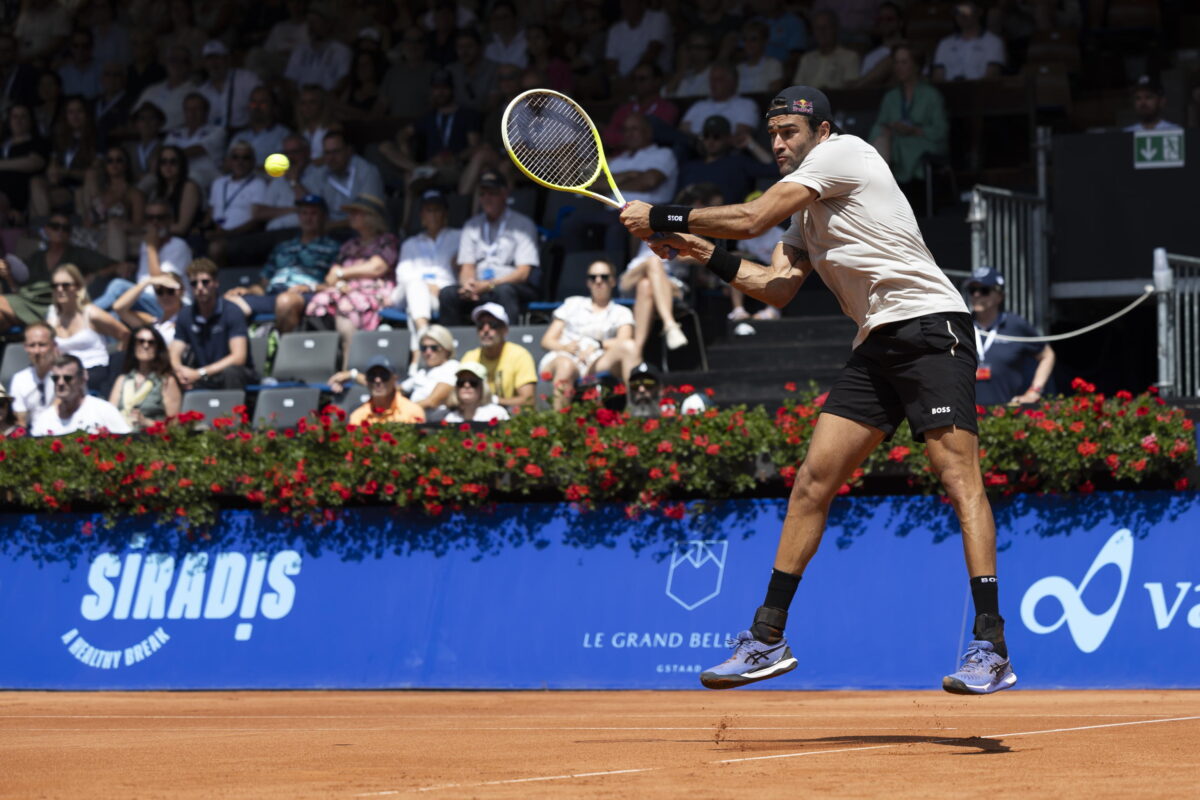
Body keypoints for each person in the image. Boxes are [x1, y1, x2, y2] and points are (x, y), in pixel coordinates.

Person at [620, 85, 1016, 695]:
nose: (779, 144)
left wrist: (666, 215)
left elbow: (753, 218)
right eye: (774, 134)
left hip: (932, 326)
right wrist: (700, 252)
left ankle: (991, 645)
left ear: (821, 133)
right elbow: (777, 286)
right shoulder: (807, 207)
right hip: (876, 342)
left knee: (958, 478)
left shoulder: (844, 154)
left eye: (790, 134)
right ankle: (767, 636)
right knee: (813, 481)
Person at [225, 194, 339, 332]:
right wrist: (248, 291)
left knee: (285, 301)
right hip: (272, 294)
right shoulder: (283, 247)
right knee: (229, 301)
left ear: (323, 217)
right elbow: (264, 284)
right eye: (304, 213)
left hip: (306, 296)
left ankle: (282, 351)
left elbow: (337, 283)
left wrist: (312, 287)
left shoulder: (333, 247)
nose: (308, 218)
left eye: (314, 213)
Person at [438, 170, 538, 326]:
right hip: (479, 287)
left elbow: (523, 273)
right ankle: (451, 345)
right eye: (482, 194)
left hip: (509, 285)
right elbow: (467, 267)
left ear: (504, 194)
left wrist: (490, 285)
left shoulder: (523, 225)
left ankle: (508, 344)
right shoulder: (472, 226)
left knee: (504, 291)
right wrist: (468, 285)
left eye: (492, 193)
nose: (486, 198)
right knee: (447, 294)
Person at [304, 194, 399, 349]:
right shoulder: (349, 245)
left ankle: (349, 364)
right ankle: (325, 358)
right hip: (343, 291)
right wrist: (340, 282)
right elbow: (330, 277)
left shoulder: (387, 240)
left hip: (373, 293)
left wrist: (342, 273)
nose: (351, 216)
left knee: (347, 305)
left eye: (356, 212)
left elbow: (377, 267)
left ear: (371, 217)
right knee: (318, 302)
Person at [540, 259, 638, 409]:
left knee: (630, 348)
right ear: (588, 282)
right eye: (593, 277)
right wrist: (565, 347)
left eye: (604, 277)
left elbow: (625, 341)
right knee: (566, 366)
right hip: (564, 357)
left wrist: (598, 345)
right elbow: (547, 340)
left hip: (596, 360)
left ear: (613, 281)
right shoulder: (572, 304)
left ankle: (636, 410)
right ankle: (561, 426)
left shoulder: (621, 312)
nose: (598, 281)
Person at [0, 214, 114, 329]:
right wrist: (8, 276)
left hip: (53, 304)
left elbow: (118, 266)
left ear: (69, 234)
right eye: (55, 226)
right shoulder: (36, 257)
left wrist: (94, 275)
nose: (60, 231)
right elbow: (18, 291)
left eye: (65, 229)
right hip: (27, 301)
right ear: (46, 230)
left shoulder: (78, 254)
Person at [966, 267, 1054, 406]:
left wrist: (1035, 391)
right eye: (972, 290)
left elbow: (1047, 355)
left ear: (1000, 296)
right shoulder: (962, 326)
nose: (976, 295)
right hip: (966, 416)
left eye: (984, 290)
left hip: (1006, 416)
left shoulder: (1015, 325)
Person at [92, 200, 192, 317]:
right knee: (112, 316)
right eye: (150, 218)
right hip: (144, 302)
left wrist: (151, 248)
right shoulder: (146, 244)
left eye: (160, 218)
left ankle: (83, 314)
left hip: (170, 302)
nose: (155, 222)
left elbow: (161, 283)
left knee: (118, 285)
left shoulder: (178, 245)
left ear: (170, 220)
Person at [868, 45, 949, 189]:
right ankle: (879, 187)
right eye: (896, 62)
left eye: (904, 62)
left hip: (923, 141)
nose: (899, 67)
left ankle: (881, 190)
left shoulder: (932, 96)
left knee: (897, 145)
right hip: (894, 139)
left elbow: (941, 130)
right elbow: (881, 124)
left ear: (916, 65)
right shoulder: (890, 96)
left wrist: (915, 130)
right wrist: (891, 128)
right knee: (880, 135)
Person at [390, 189, 460, 351]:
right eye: (429, 210)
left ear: (445, 213)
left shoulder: (459, 237)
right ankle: (425, 335)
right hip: (408, 292)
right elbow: (402, 277)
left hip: (441, 296)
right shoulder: (410, 243)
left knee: (415, 305)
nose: (434, 215)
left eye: (437, 210)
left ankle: (419, 348)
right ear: (421, 215)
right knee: (415, 286)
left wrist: (439, 290)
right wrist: (428, 286)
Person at [170, 258, 254, 390]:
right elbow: (174, 351)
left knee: (231, 372)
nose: (200, 287)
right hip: (203, 376)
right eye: (194, 283)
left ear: (216, 283)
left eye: (205, 282)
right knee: (171, 376)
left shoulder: (232, 311)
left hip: (232, 375)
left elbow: (239, 357)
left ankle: (234, 411)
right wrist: (180, 370)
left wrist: (200, 373)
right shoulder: (186, 314)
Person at [45, 263, 129, 396]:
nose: (60, 289)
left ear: (77, 287)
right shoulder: (52, 316)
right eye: (55, 286)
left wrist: (116, 363)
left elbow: (125, 335)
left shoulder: (91, 313)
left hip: (94, 374)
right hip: (64, 375)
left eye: (65, 285)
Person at [679, 116, 777, 216]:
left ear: (728, 138)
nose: (710, 140)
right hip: (690, 220)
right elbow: (678, 198)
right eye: (706, 136)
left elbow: (774, 168)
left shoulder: (738, 162)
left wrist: (750, 144)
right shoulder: (690, 166)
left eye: (716, 136)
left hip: (726, 220)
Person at [459, 302, 536, 412]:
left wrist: (493, 401)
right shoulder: (470, 357)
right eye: (481, 325)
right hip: (476, 418)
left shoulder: (520, 355)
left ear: (505, 330)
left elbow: (528, 400)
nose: (485, 330)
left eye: (493, 325)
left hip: (511, 420)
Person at [30, 354, 131, 436]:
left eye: (67, 378)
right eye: (55, 378)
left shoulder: (104, 411)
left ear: (82, 379)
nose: (60, 383)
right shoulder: (44, 419)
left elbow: (126, 441)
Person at [76, 145, 145, 261]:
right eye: (110, 160)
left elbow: (138, 225)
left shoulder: (134, 193)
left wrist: (116, 225)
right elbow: (88, 222)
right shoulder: (100, 192)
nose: (114, 164)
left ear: (126, 164)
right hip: (95, 235)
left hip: (118, 236)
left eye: (119, 160)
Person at [203, 139, 268, 263]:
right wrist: (204, 229)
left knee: (216, 248)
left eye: (245, 158)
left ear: (253, 162)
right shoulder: (219, 183)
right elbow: (210, 212)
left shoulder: (258, 184)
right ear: (229, 161)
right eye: (235, 157)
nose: (240, 162)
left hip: (244, 235)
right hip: (218, 232)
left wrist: (228, 233)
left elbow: (257, 220)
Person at [108, 325, 182, 429]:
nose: (146, 346)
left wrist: (147, 423)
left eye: (151, 342)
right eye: (140, 341)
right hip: (121, 438)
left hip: (151, 440)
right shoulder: (122, 380)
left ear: (157, 348)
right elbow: (109, 416)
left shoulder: (167, 381)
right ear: (133, 345)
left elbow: (173, 426)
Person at [310, 130, 385, 227]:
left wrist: (331, 226)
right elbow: (311, 206)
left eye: (336, 152)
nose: (331, 158)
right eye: (327, 153)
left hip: (365, 230)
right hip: (331, 232)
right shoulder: (321, 173)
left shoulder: (367, 171)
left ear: (349, 150)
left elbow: (369, 213)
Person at [602, 63, 678, 152]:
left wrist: (622, 139)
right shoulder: (623, 109)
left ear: (657, 81)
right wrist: (634, 138)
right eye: (634, 79)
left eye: (642, 79)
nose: (637, 83)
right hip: (620, 159)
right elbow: (608, 136)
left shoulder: (668, 109)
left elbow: (655, 136)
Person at [679, 63, 759, 140]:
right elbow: (682, 131)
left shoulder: (746, 105)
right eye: (711, 80)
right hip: (693, 149)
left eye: (718, 80)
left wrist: (713, 142)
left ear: (733, 82)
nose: (713, 84)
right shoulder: (698, 105)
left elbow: (741, 137)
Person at [163, 92, 225, 190]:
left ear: (206, 111)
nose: (192, 113)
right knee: (153, 179)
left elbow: (198, 149)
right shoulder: (175, 133)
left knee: (190, 177)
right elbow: (164, 153)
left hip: (207, 173)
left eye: (197, 109)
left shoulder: (217, 131)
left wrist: (174, 155)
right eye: (188, 109)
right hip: (178, 173)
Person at [284, 4, 352, 94]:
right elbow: (290, 79)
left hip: (327, 102)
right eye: (309, 22)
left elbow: (342, 83)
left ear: (327, 24)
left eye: (315, 22)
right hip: (302, 100)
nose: (310, 27)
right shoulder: (300, 50)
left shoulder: (342, 51)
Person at [932, 1, 1006, 82]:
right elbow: (938, 77)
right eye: (957, 11)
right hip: (948, 92)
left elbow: (991, 76)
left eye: (966, 10)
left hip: (980, 92)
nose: (962, 15)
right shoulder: (945, 44)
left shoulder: (993, 42)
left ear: (979, 12)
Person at [198, 40, 262, 131]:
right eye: (209, 59)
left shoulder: (246, 78)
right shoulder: (201, 91)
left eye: (217, 58)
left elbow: (263, 103)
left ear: (227, 59)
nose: (214, 63)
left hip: (246, 132)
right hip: (213, 137)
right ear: (204, 63)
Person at [791, 9, 860, 90]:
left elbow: (850, 90)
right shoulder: (806, 58)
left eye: (826, 27)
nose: (821, 32)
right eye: (818, 28)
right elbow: (797, 88)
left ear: (835, 29)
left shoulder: (850, 57)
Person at [347, 355, 426, 426]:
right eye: (372, 375)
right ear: (366, 380)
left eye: (384, 375)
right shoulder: (357, 416)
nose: (377, 380)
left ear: (395, 379)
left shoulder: (413, 411)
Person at [111, 270, 185, 344]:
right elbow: (119, 308)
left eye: (170, 291)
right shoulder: (153, 323)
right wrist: (147, 282)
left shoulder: (186, 319)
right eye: (159, 291)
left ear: (182, 291)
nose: (165, 296)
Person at [0, 103, 48, 218]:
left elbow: (34, 163)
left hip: (19, 194)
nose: (18, 120)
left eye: (23, 116)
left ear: (30, 120)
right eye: (15, 116)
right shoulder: (3, 143)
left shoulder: (37, 142)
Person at [6, 321, 58, 427]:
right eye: (32, 345)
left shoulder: (66, 376)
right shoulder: (19, 380)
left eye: (42, 345)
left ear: (53, 345)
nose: (37, 351)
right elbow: (21, 421)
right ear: (25, 347)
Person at [135, 45, 197, 132]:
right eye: (173, 60)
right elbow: (134, 118)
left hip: (178, 140)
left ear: (190, 65)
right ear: (166, 63)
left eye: (183, 61)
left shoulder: (196, 92)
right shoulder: (151, 90)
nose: (177, 64)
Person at [148, 145, 203, 237]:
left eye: (173, 162)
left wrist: (154, 228)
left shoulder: (189, 187)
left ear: (181, 164)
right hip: (162, 235)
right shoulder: (158, 188)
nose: (168, 165)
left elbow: (182, 228)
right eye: (163, 162)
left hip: (185, 239)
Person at [441, 361, 509, 423]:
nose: (466, 385)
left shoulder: (497, 414)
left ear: (483, 387)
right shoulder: (451, 418)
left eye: (473, 382)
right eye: (461, 382)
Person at [737, 20, 785, 96]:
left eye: (753, 39)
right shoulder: (738, 68)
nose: (748, 43)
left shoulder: (773, 65)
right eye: (745, 39)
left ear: (764, 41)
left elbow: (773, 96)